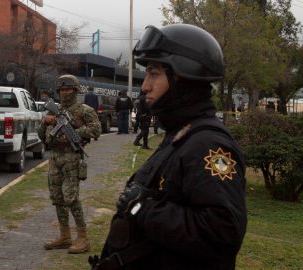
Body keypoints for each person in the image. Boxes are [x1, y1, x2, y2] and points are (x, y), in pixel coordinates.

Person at [90, 24, 247, 270]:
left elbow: (222, 234)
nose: (144, 86)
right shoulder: (181, 133)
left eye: (154, 73)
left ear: (183, 77)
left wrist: (142, 208)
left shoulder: (207, 144)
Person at [39, 74, 101, 254]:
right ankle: (64, 236)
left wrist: (75, 131)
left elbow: (96, 129)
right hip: (55, 157)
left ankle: (83, 238)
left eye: (68, 89)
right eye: (62, 90)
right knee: (57, 198)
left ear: (75, 91)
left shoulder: (84, 110)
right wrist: (46, 122)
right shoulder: (54, 109)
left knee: (71, 198)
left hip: (72, 158)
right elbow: (42, 135)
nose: (65, 93)